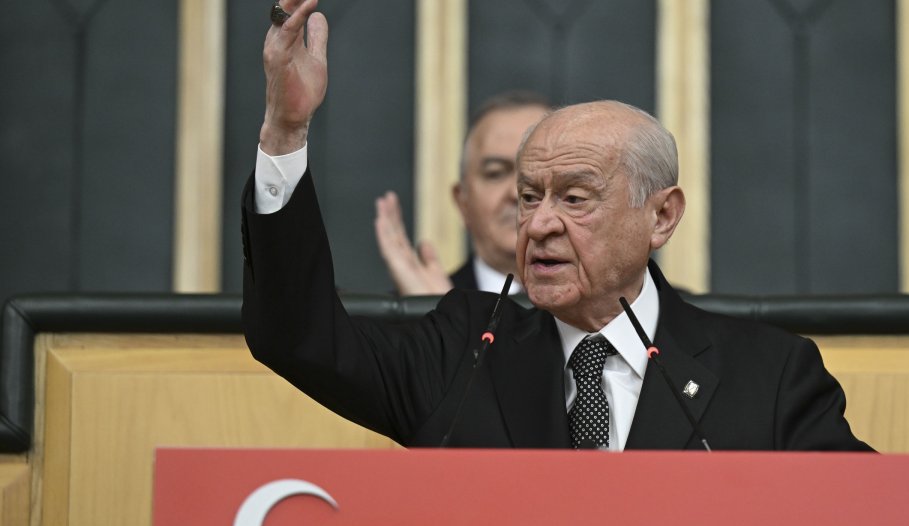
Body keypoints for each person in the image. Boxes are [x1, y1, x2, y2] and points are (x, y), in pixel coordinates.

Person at [243, 0, 873, 452]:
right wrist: (286, 131)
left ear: (661, 216)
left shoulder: (768, 375)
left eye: (575, 198)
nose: (540, 223)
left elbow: (869, 525)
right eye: (528, 196)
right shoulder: (460, 352)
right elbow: (296, 338)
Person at [373, 92, 550, 295]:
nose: (515, 192)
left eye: (534, 172)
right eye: (495, 173)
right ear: (462, 202)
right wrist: (436, 317)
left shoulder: (594, 312)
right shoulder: (418, 307)